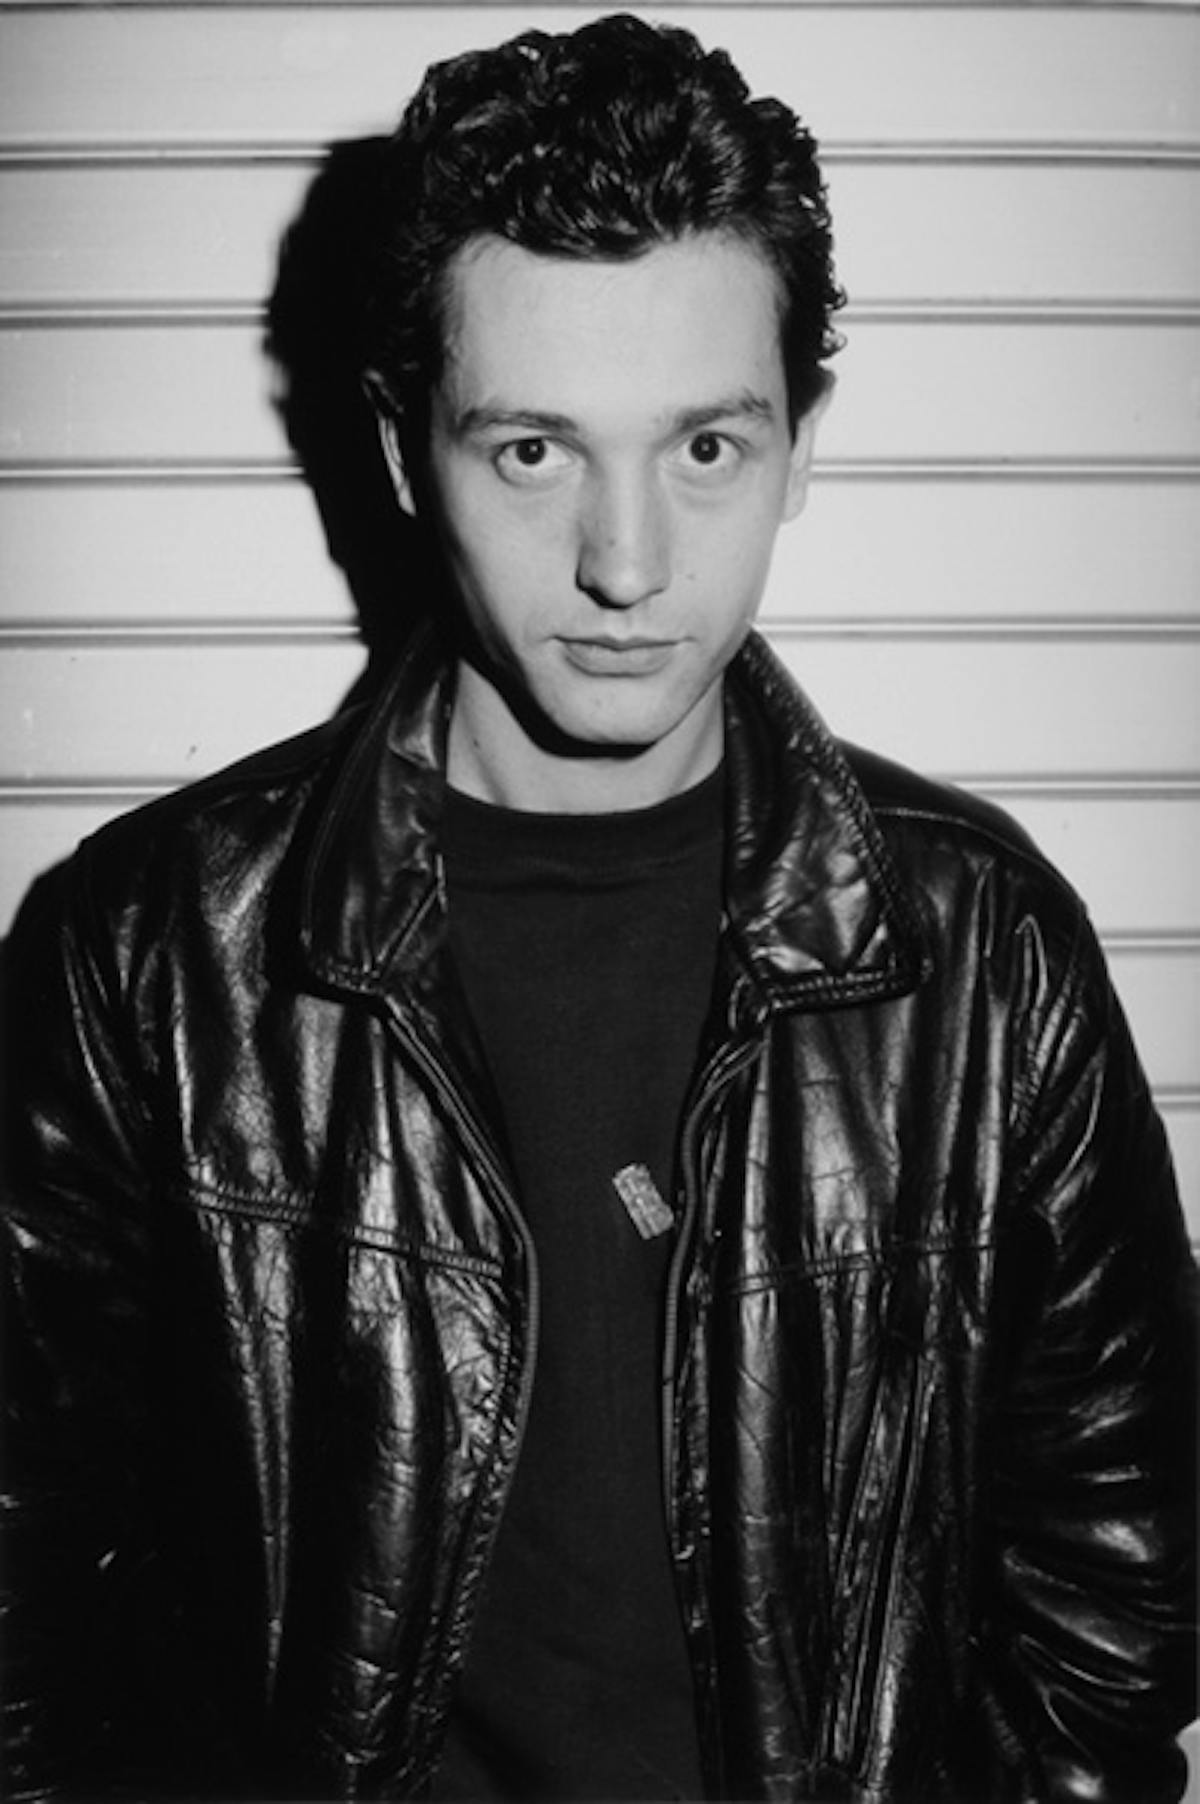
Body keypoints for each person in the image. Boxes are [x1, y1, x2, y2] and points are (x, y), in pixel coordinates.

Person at [2, 14, 1195, 1802]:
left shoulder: (983, 954)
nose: (626, 566)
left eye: (705, 448)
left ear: (801, 446)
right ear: (403, 450)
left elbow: (1117, 1609)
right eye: (533, 452)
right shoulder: (152, 956)